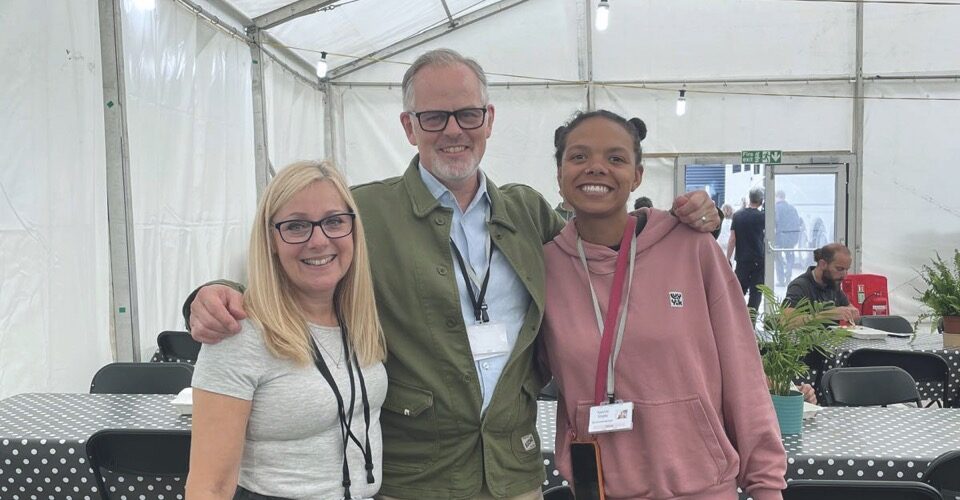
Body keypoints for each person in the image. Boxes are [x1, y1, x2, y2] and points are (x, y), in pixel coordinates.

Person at [183, 49, 721, 499]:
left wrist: (675, 220)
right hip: (418, 476)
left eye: (466, 115)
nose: (452, 132)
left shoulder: (528, 212)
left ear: (488, 119)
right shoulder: (367, 212)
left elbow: (604, 251)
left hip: (514, 471)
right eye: (433, 117)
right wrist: (215, 295)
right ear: (408, 126)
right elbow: (297, 260)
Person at [541, 110, 785, 499]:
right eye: (579, 157)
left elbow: (744, 374)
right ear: (559, 174)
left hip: (702, 488)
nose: (597, 168)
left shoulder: (691, 247)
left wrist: (767, 486)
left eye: (616, 158)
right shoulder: (544, 268)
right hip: (601, 490)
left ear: (637, 175)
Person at [185, 161, 387, 500]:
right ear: (271, 241)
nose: (319, 240)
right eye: (296, 227)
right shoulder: (239, 335)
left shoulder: (358, 319)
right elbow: (210, 487)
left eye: (334, 221)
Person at [784, 242, 860, 325]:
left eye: (846, 269)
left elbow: (849, 307)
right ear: (822, 264)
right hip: (809, 337)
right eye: (839, 269)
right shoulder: (799, 286)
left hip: (832, 337)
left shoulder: (832, 284)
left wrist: (852, 313)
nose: (845, 276)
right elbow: (787, 323)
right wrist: (827, 315)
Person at [727, 187, 765, 310]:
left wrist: (728, 258)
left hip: (742, 259)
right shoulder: (763, 217)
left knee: (738, 291)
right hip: (758, 260)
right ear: (761, 201)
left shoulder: (737, 216)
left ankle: (738, 318)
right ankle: (752, 321)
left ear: (749, 198)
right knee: (756, 292)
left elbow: (732, 239)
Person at [774, 190, 802, 286]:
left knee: (778, 258)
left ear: (777, 196)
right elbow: (798, 222)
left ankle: (781, 279)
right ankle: (788, 275)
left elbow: (775, 222)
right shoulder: (792, 208)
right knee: (790, 256)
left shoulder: (776, 208)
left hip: (780, 237)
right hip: (792, 237)